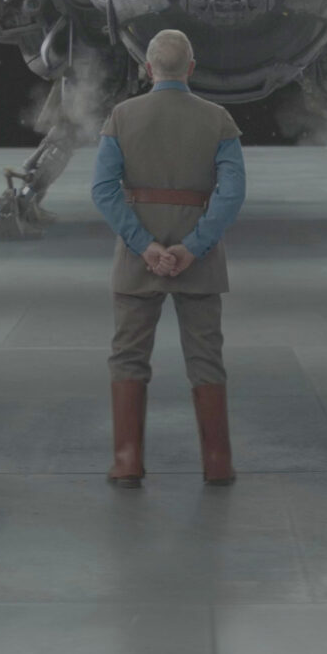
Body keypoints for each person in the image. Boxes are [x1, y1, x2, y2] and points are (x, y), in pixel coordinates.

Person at [90, 28, 247, 487]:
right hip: (201, 261)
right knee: (206, 358)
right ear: (191, 69)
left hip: (137, 260)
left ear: (148, 68)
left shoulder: (121, 117)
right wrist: (193, 247)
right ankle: (217, 462)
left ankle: (127, 461)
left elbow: (103, 189)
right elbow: (232, 193)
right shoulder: (218, 119)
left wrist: (144, 245)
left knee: (127, 357)